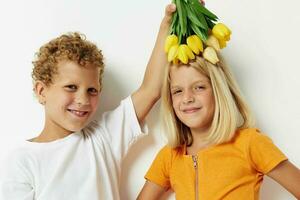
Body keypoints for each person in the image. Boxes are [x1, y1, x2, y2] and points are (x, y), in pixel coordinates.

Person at [0, 4, 176, 200]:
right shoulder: (22, 161)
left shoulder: (103, 138)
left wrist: (167, 25)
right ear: (42, 91)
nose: (83, 100)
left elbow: (151, 90)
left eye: (91, 90)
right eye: (71, 87)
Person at [137, 54, 300, 199]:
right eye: (178, 91)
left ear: (218, 91)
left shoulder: (250, 143)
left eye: (199, 87)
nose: (187, 98)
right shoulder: (170, 155)